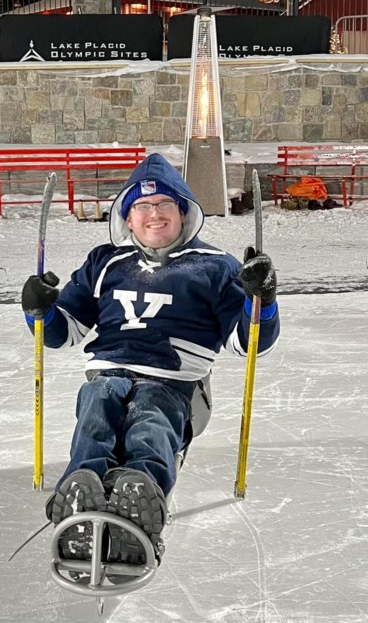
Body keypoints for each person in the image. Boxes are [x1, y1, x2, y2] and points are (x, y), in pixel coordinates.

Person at [21, 153, 280, 569]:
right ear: (127, 216)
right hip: (107, 369)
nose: (153, 214)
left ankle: (140, 501)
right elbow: (62, 332)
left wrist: (261, 301)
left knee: (150, 422)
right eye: (142, 206)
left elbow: (248, 344)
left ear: (183, 212)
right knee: (96, 409)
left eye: (164, 204)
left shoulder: (216, 267)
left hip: (173, 380)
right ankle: (79, 499)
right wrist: (40, 310)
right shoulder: (105, 262)